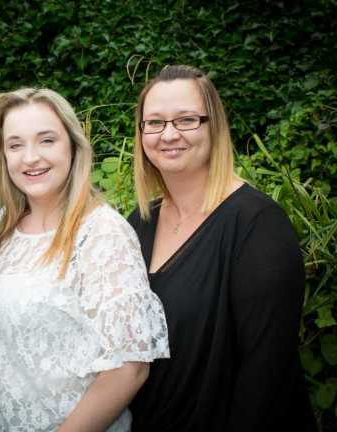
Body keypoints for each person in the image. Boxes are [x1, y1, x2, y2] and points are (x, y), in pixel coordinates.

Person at [0, 88, 169, 432]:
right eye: (15, 145)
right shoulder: (0, 229)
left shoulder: (102, 234)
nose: (30, 158)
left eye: (46, 140)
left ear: (73, 146)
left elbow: (129, 367)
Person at [127, 64, 316, 431]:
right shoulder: (139, 222)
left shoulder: (258, 225)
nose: (169, 134)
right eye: (155, 122)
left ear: (214, 127)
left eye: (186, 120)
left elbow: (266, 378)